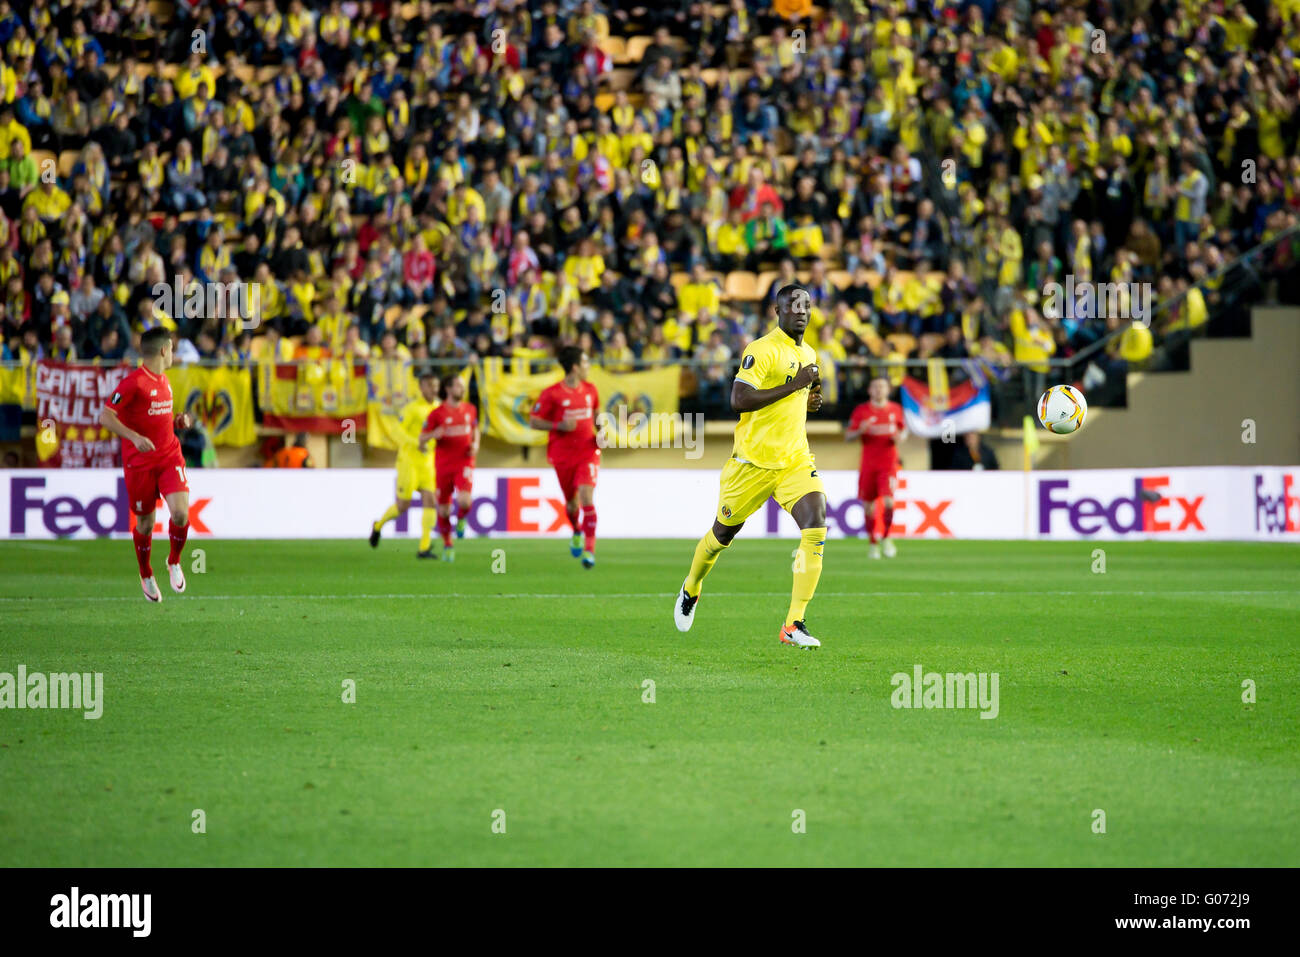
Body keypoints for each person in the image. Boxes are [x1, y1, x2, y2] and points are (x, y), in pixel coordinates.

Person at [673, 284, 827, 648]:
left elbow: (798, 396)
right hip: (751, 464)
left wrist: (809, 400)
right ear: (778, 311)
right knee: (719, 538)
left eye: (806, 304)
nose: (801, 310)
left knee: (816, 525)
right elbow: (738, 399)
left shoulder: (809, 352)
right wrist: (795, 387)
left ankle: (794, 624)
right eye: (793, 305)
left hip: (793, 460)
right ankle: (692, 587)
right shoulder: (761, 350)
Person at [98, 325, 192, 602]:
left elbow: (157, 418)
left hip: (169, 455)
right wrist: (134, 437)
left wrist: (178, 422)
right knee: (146, 523)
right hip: (140, 463)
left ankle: (174, 561)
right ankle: (146, 573)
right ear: (164, 350)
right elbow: (105, 416)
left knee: (181, 514)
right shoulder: (133, 382)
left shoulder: (164, 380)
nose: (173, 353)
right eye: (172, 348)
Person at [529, 345, 600, 567]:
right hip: (562, 456)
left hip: (588, 451)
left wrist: (603, 431)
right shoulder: (552, 394)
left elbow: (597, 415)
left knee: (587, 497)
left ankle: (590, 551)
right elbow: (534, 420)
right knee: (571, 505)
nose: (589, 367)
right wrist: (558, 424)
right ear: (575, 367)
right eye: (586, 362)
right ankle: (576, 530)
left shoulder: (590, 389)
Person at [369, 372, 440, 557]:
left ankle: (424, 547)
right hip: (409, 462)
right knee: (402, 506)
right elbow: (396, 431)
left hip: (427, 463)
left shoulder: (438, 408)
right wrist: (418, 442)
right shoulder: (411, 409)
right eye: (430, 385)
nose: (434, 389)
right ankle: (378, 526)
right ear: (422, 387)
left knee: (431, 501)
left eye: (436, 386)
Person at [419, 372, 479, 561]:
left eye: (463, 386)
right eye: (458, 386)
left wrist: (476, 444)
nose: (462, 389)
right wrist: (432, 435)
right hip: (443, 465)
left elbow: (475, 429)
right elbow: (421, 440)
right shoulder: (437, 414)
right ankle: (447, 543)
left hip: (464, 462)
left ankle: (461, 519)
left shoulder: (470, 409)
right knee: (444, 510)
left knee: (464, 501)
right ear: (448, 389)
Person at [846, 376, 907, 559]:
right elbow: (848, 436)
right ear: (869, 390)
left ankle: (887, 538)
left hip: (888, 465)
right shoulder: (861, 411)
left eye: (882, 386)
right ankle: (873, 542)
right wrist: (860, 431)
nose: (879, 390)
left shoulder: (895, 410)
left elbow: (902, 431)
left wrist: (900, 437)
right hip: (868, 465)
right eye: (875, 386)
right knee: (868, 507)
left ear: (888, 390)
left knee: (889, 501)